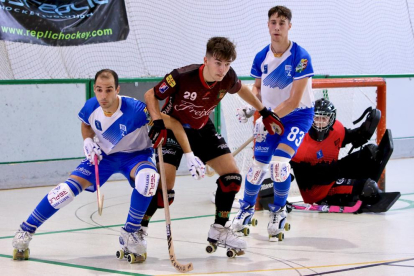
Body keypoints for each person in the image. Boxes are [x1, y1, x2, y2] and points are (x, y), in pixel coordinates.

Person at [11, 69, 202, 262]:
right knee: (64, 192)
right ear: (94, 89)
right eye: (99, 90)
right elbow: (86, 124)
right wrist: (87, 141)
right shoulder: (90, 106)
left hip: (135, 157)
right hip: (103, 157)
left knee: (149, 180)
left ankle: (131, 232)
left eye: (109, 90)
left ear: (117, 89)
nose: (104, 96)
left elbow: (174, 125)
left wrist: (189, 154)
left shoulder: (136, 110)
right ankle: (25, 230)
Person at [143, 36, 283, 254]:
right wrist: (158, 122)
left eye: (227, 65)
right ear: (206, 60)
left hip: (202, 128)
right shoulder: (182, 75)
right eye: (218, 63)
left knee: (232, 177)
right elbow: (151, 94)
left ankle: (219, 228)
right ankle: (137, 228)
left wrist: (264, 111)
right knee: (164, 193)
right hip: (172, 128)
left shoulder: (227, 78)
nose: (222, 69)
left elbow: (242, 89)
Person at [231, 5, 315, 241]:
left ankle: (278, 212)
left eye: (282, 23)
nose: (277, 27)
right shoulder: (261, 57)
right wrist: (252, 108)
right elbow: (257, 87)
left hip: (298, 116)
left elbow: (294, 100)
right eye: (273, 22)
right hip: (271, 116)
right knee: (258, 167)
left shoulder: (301, 57)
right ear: (268, 25)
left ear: (289, 26)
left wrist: (265, 115)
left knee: (279, 165)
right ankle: (245, 210)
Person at [289, 98, 395, 211]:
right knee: (368, 188)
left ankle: (360, 189)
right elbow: (284, 163)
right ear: (311, 118)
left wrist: (363, 130)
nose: (320, 122)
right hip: (318, 189)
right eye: (316, 118)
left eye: (324, 118)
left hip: (334, 173)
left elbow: (349, 137)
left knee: (371, 153)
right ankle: (358, 191)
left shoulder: (337, 129)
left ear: (331, 119)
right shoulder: (300, 140)